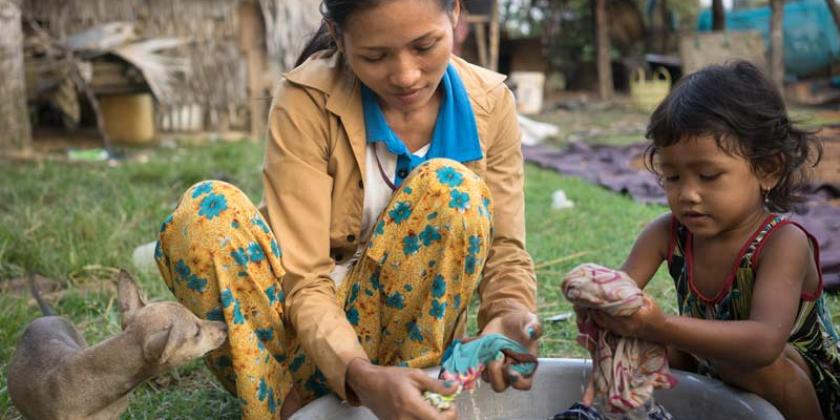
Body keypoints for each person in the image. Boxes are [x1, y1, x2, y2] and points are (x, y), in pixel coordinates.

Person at [154, 0, 540, 418]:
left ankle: (413, 398)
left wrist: (509, 312)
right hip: (294, 348)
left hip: (403, 349)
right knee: (204, 214)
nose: (406, 75)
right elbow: (303, 279)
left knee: (451, 190)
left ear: (456, 15)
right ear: (338, 37)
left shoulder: (490, 102)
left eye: (425, 46)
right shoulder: (306, 100)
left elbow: (506, 252)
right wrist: (357, 374)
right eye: (375, 56)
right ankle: (288, 410)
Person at [585, 61, 839, 419]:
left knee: (745, 363)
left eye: (708, 175)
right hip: (713, 361)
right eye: (672, 177)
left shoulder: (782, 243)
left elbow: (764, 344)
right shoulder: (666, 232)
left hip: (803, 385)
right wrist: (599, 300)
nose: (688, 194)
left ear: (768, 169)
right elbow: (619, 293)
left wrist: (661, 325)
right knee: (639, 346)